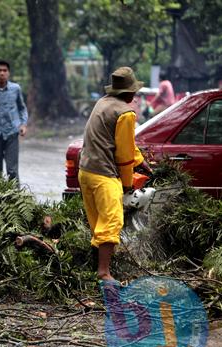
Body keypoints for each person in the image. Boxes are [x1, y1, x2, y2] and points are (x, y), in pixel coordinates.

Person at [78, 66, 149, 282]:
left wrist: (141, 161)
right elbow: (124, 154)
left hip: (86, 172)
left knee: (97, 222)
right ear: (128, 92)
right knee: (112, 223)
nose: (135, 95)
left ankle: (95, 268)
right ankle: (104, 272)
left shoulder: (102, 103)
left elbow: (119, 142)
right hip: (104, 176)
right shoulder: (126, 113)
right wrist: (128, 184)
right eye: (134, 91)